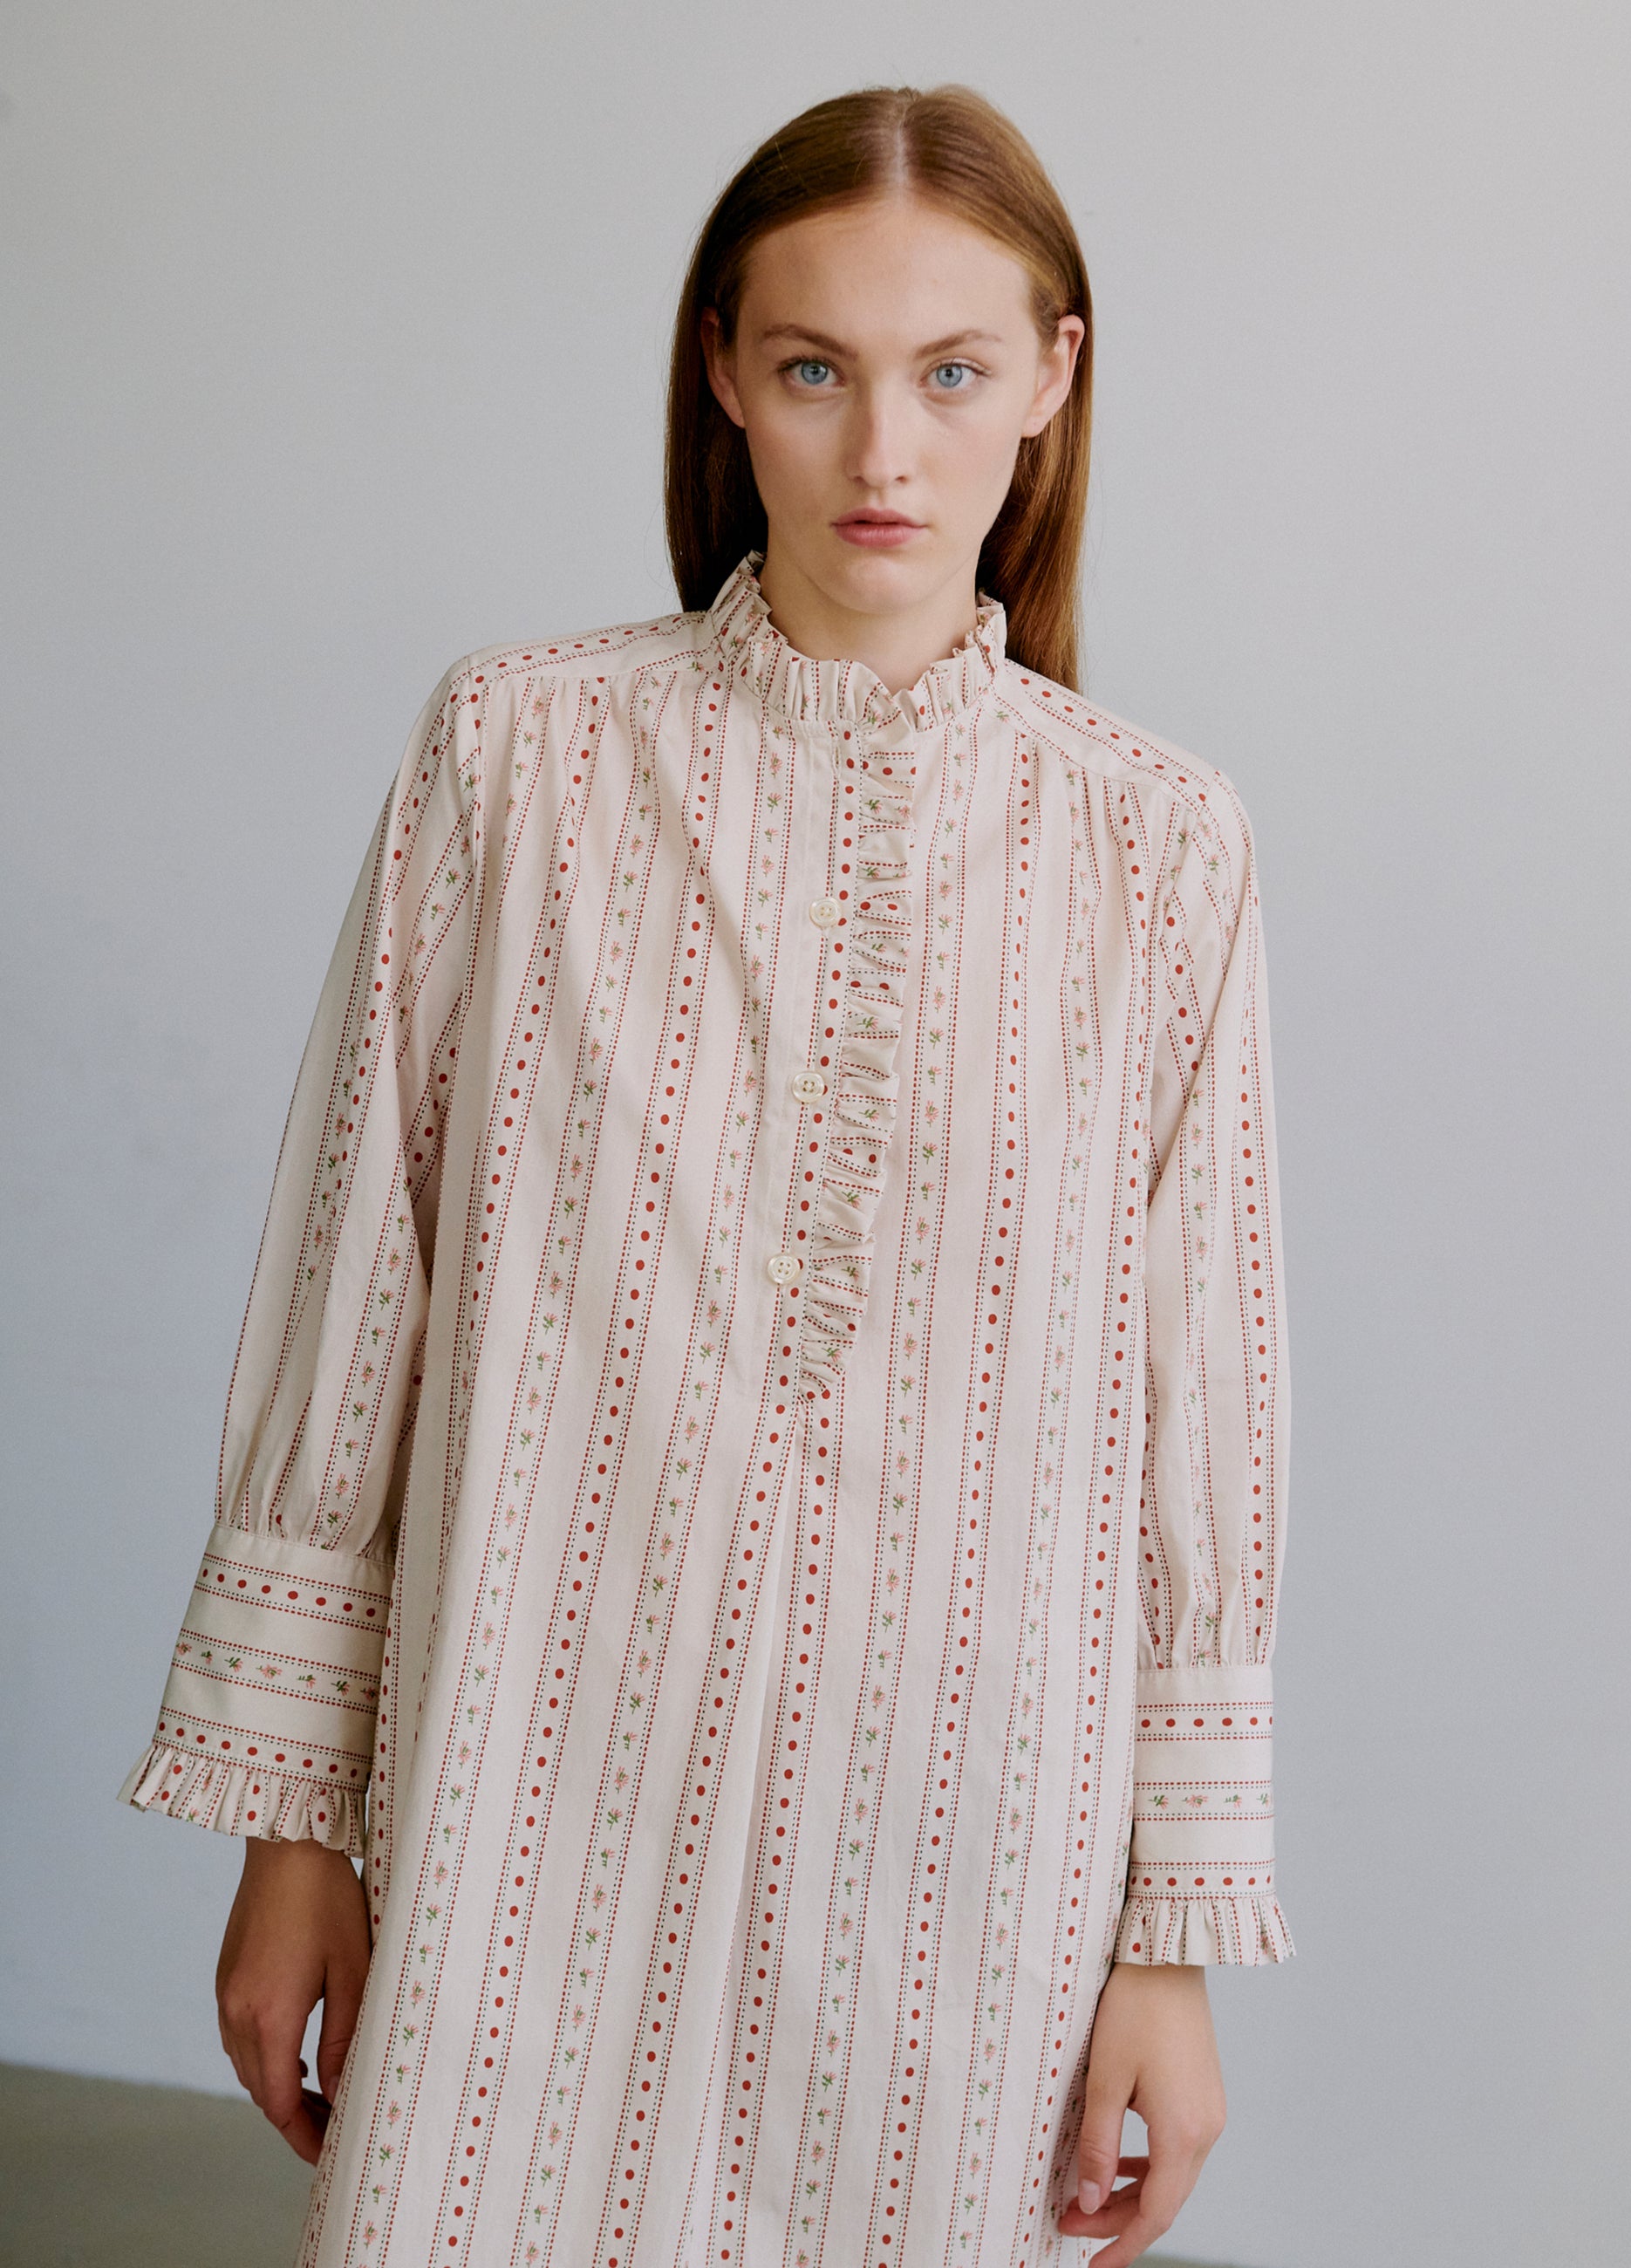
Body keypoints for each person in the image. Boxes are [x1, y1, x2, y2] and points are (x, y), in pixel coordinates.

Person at [119, 82, 1294, 2268]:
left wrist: (1170, 1940)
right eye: (816, 367)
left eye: (952, 372)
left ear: (1053, 377)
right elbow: (355, 1282)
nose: (884, 453)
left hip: (960, 1876)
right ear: (724, 371)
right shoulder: (521, 752)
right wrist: (293, 1827)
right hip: (514, 1821)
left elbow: (1190, 1416)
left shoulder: (1160, 846)